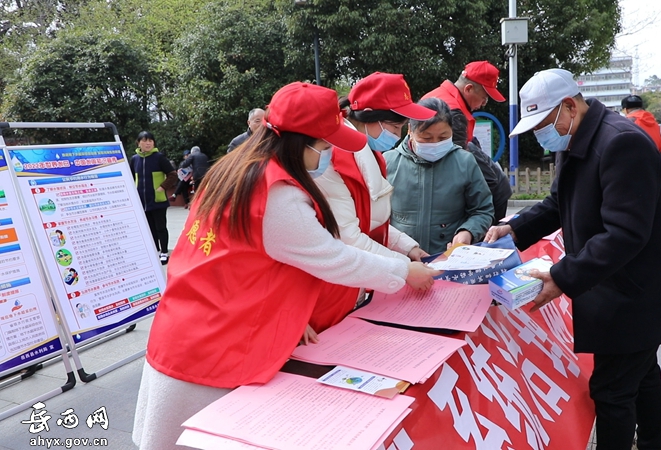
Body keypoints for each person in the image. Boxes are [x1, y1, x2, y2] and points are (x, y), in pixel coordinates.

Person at [132, 82, 438, 449]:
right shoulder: (277, 192)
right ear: (300, 142)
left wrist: (285, 315)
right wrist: (405, 271)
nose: (325, 155)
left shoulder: (239, 168)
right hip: (213, 346)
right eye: (323, 147)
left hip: (191, 324)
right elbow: (333, 257)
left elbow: (242, 262)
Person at [484, 68, 661, 450]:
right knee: (644, 374)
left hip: (637, 292)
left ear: (569, 106)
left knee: (612, 390)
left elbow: (624, 233)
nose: (541, 136)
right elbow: (557, 202)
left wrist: (562, 276)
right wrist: (515, 229)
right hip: (621, 286)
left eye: (543, 125)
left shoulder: (621, 143)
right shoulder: (575, 138)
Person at [316, 72, 433, 266]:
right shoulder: (332, 158)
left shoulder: (370, 151)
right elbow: (348, 237)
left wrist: (407, 247)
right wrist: (405, 266)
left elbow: (369, 219)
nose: (397, 135)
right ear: (369, 116)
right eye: (395, 127)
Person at [384, 97, 493, 254]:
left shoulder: (465, 162)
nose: (435, 143)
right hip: (402, 261)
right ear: (410, 130)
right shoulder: (389, 162)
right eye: (426, 138)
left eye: (443, 137)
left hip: (449, 258)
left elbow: (483, 209)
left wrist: (467, 232)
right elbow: (376, 218)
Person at [422, 61, 511, 223]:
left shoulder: (439, 94)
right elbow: (455, 161)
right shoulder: (453, 112)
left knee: (498, 180)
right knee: (496, 186)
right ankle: (487, 234)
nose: (484, 103)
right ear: (468, 88)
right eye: (484, 98)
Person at [130, 131, 177, 264]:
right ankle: (154, 250)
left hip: (158, 200)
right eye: (145, 140)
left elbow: (173, 175)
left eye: (150, 140)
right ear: (138, 143)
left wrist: (162, 187)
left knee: (161, 227)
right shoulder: (135, 159)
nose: (148, 143)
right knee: (149, 228)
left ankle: (163, 252)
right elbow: (131, 176)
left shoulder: (159, 157)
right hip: (142, 201)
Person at [621, 94, 661, 178]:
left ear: (626, 110)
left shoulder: (628, 122)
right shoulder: (653, 121)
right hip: (659, 161)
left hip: (639, 166)